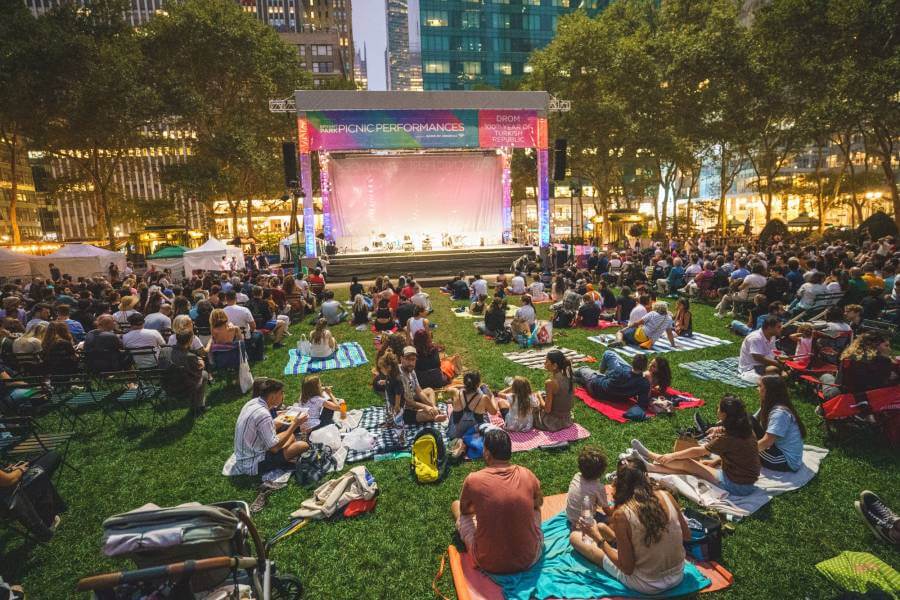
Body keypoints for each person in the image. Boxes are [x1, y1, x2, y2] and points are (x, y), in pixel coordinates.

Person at [569, 456, 690, 596]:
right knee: (620, 534)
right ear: (646, 476)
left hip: (647, 584)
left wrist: (598, 539)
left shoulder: (622, 514)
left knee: (574, 538)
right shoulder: (667, 495)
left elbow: (627, 568)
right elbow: (687, 536)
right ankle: (613, 538)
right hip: (678, 575)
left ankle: (605, 538)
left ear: (619, 482)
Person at [451, 429, 543, 574]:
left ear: (487, 453)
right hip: (530, 558)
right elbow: (538, 504)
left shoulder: (473, 480)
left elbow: (466, 511)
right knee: (535, 509)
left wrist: (489, 507)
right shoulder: (527, 475)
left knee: (456, 506)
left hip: (487, 561)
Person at [630, 395, 761, 496]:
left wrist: (672, 455)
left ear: (725, 414)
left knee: (688, 463)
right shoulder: (745, 429)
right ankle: (650, 467)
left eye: (718, 408)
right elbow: (738, 451)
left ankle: (650, 455)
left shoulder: (728, 438)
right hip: (743, 481)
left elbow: (699, 451)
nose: (717, 410)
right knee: (692, 468)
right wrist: (715, 460)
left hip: (736, 485)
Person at [228, 379, 309, 477]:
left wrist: (284, 416)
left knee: (290, 436)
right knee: (302, 445)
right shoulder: (263, 414)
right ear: (272, 396)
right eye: (281, 393)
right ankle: (282, 458)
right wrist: (295, 424)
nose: (283, 395)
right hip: (254, 464)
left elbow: (266, 428)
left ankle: (283, 454)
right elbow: (274, 448)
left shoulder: (253, 403)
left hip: (247, 455)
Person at [0, 452, 67, 543]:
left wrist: (9, 470)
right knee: (52, 457)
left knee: (36, 459)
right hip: (11, 496)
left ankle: (46, 506)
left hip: (6, 497)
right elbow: (10, 480)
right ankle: (48, 517)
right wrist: (20, 470)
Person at [752, 376, 805, 472]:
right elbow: (751, 421)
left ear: (769, 391)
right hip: (775, 447)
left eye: (760, 386)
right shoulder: (769, 404)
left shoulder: (780, 414)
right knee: (747, 419)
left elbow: (767, 442)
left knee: (740, 452)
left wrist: (744, 450)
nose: (757, 389)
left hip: (785, 460)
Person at [158, 330, 208, 416]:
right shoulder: (190, 357)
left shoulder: (164, 350)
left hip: (166, 387)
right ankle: (199, 406)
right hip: (184, 389)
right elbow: (196, 374)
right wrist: (201, 364)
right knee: (204, 374)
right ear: (190, 341)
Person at [575, 352, 651, 409]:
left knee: (583, 369)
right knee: (581, 379)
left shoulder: (620, 370)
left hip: (595, 387)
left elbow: (607, 376)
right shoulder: (644, 384)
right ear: (644, 368)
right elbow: (642, 403)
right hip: (615, 398)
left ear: (632, 362)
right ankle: (576, 379)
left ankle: (567, 370)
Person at [398, 346, 447, 424]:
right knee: (426, 414)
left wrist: (431, 406)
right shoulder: (398, 376)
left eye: (413, 359)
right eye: (407, 359)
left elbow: (419, 391)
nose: (410, 362)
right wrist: (425, 407)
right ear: (401, 359)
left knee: (429, 390)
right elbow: (406, 401)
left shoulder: (412, 371)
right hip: (402, 410)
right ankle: (433, 416)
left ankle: (433, 412)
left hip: (411, 399)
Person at [565, 446, 611, 527]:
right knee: (610, 519)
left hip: (570, 517)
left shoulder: (577, 476)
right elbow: (606, 509)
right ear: (602, 471)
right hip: (585, 522)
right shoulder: (598, 487)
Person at [534, 349, 574, 432]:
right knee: (543, 395)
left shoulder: (550, 383)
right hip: (566, 419)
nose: (544, 363)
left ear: (555, 365)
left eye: (547, 361)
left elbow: (547, 410)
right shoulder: (568, 377)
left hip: (552, 422)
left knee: (531, 405)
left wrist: (538, 396)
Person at [738, 316, 786, 383]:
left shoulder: (772, 336)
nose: (781, 329)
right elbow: (757, 358)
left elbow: (773, 351)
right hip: (753, 366)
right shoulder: (756, 338)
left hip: (765, 363)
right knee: (775, 370)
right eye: (778, 327)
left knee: (786, 367)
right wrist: (776, 363)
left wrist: (780, 357)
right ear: (769, 328)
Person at [611, 301, 676, 350]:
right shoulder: (669, 319)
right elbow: (669, 333)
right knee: (627, 337)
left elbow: (638, 323)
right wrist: (673, 345)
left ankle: (619, 340)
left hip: (639, 335)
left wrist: (627, 327)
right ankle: (622, 341)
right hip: (648, 342)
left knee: (620, 332)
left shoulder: (653, 313)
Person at [449, 371, 494, 440]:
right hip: (475, 434)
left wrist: (464, 386)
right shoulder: (483, 398)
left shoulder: (456, 393)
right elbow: (494, 412)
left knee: (453, 413)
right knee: (485, 414)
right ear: (478, 384)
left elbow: (449, 388)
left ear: (465, 383)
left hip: (456, 434)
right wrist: (492, 397)